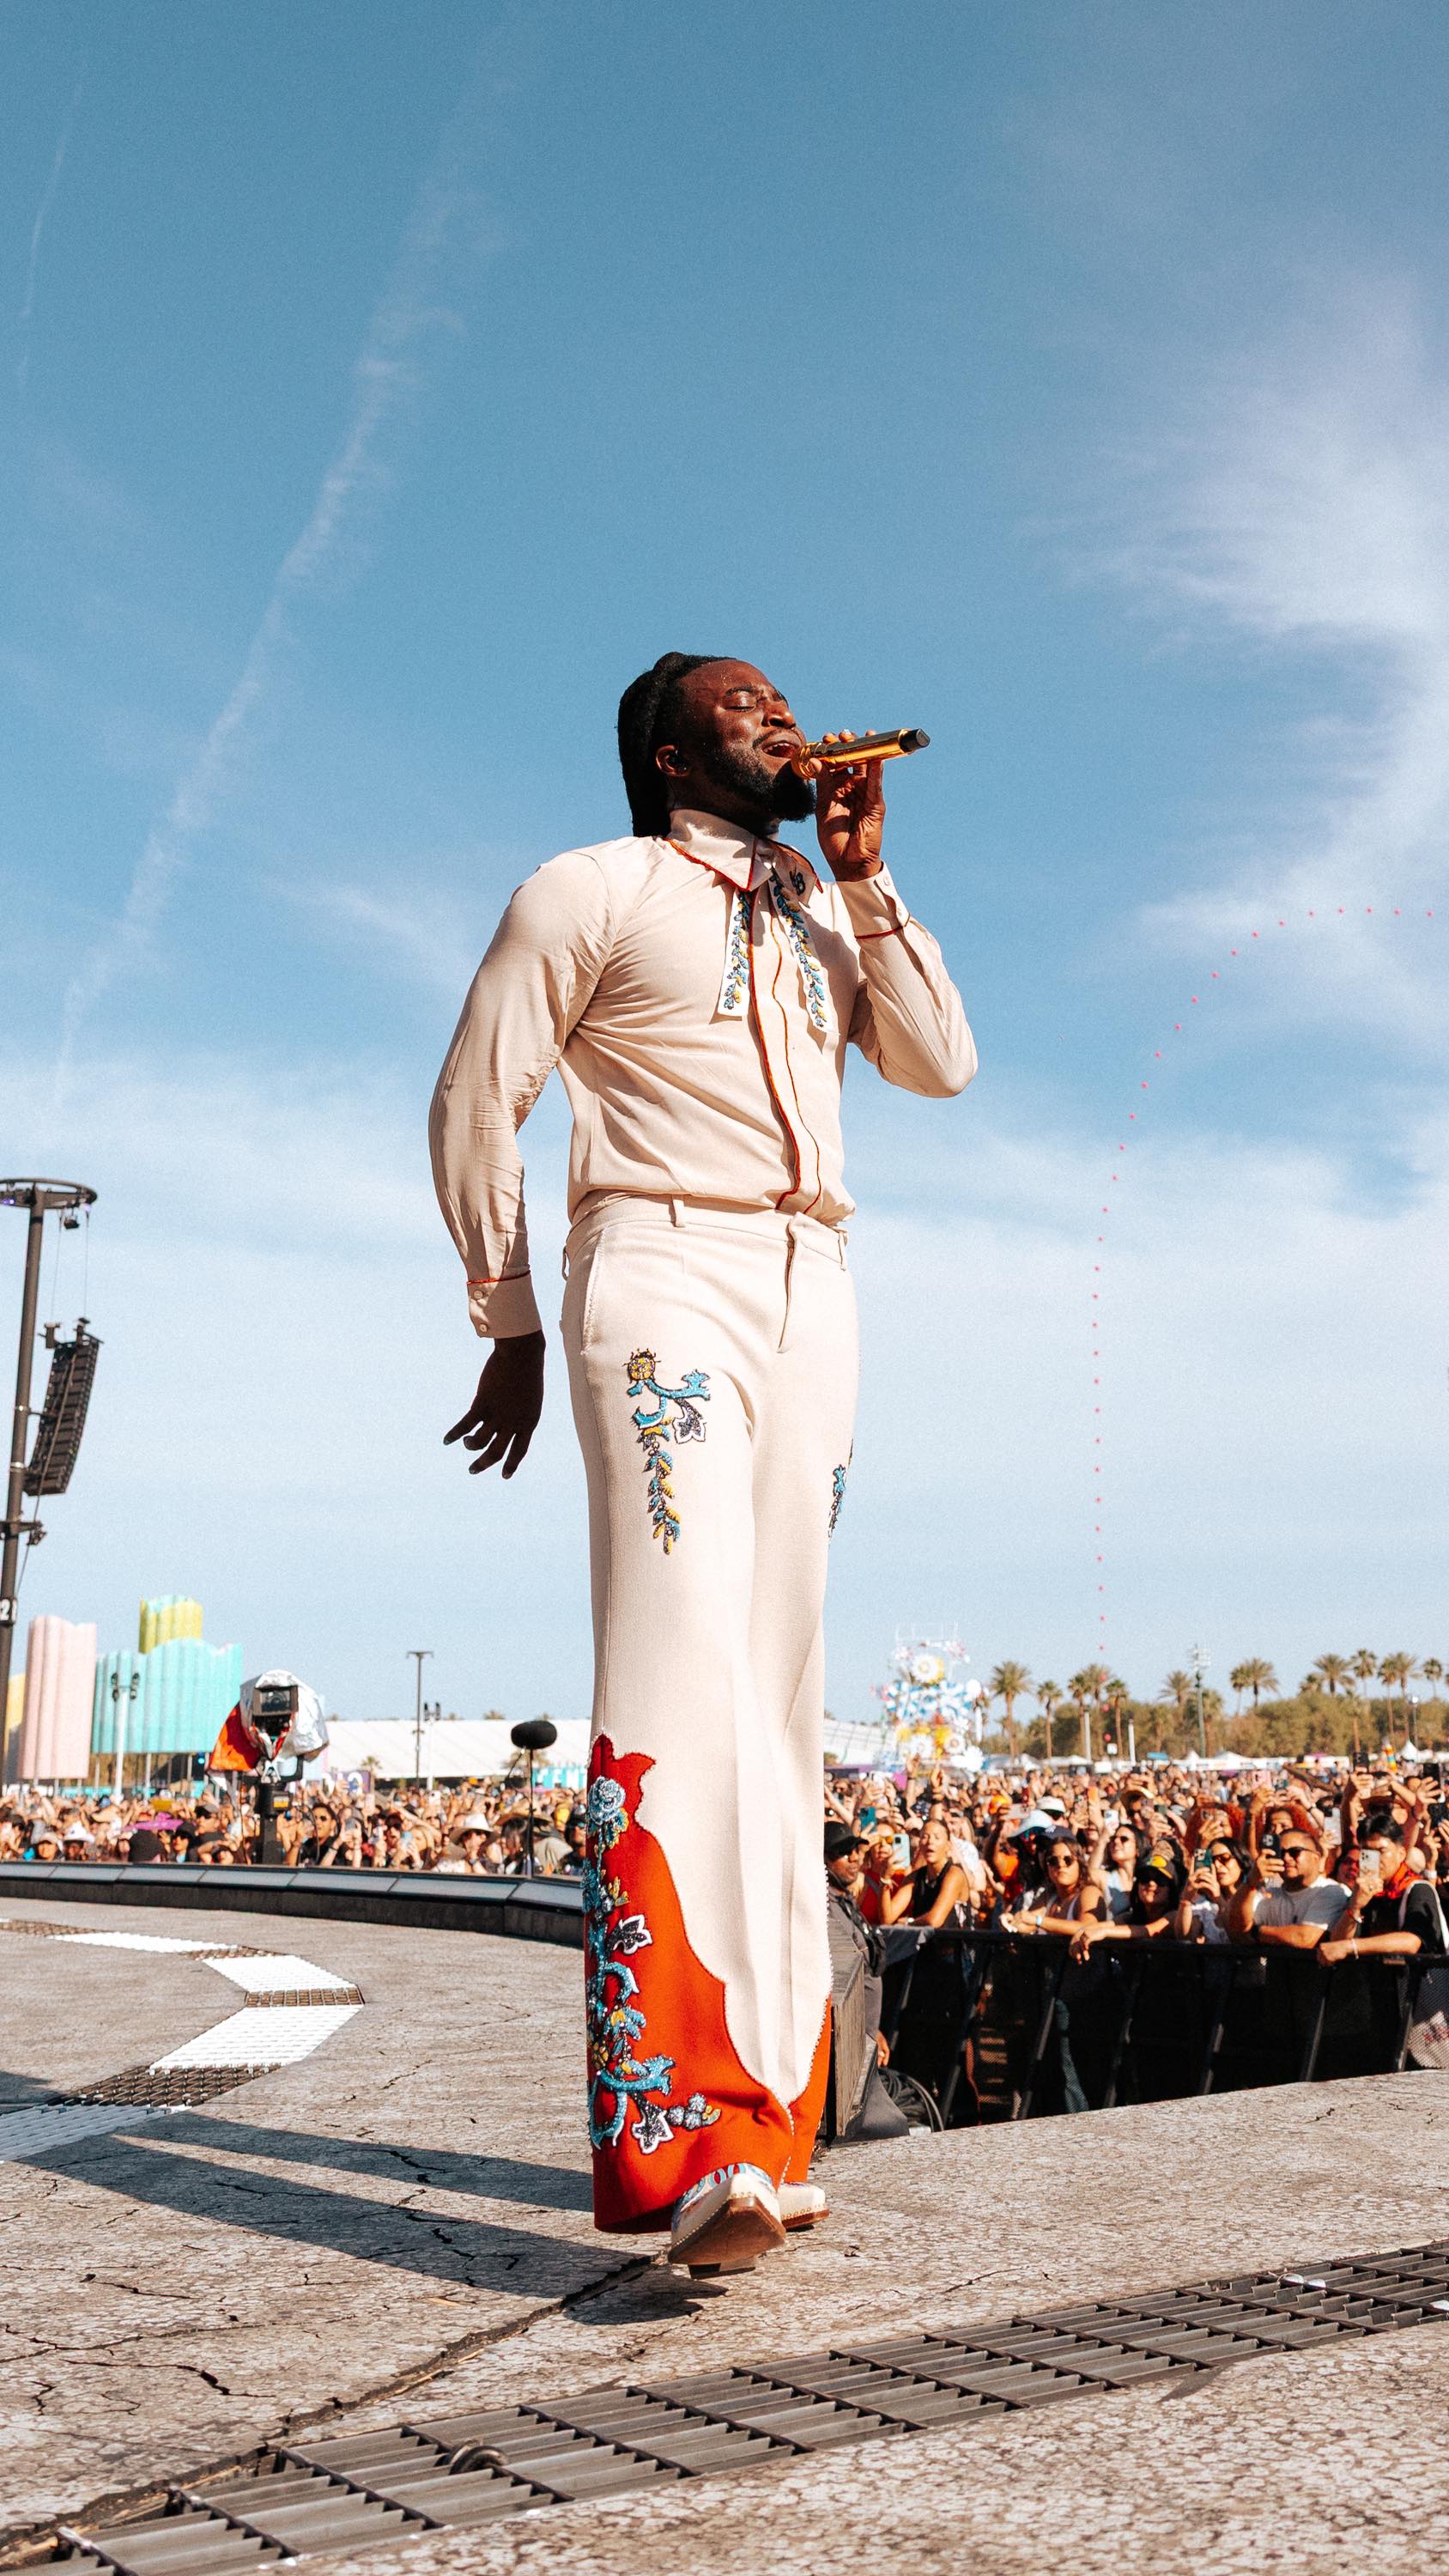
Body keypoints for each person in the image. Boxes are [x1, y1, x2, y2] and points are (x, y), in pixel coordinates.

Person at [431, 653, 973, 2274]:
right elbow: (479, 1096)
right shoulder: (589, 889)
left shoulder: (819, 906)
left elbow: (939, 1061)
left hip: (816, 1285)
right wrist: (510, 1316)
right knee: (679, 1671)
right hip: (659, 1260)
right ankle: (684, 2136)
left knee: (780, 1690)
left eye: (786, 698)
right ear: (669, 752)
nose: (784, 715)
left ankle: (772, 2123)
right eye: (745, 703)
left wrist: (868, 879)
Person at [1224, 1822, 1349, 1950]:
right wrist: (1251, 1882)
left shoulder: (1332, 1891)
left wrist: (1254, 1932)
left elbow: (1304, 1939)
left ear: (1316, 1858)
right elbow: (1236, 1928)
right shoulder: (1269, 1893)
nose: (1286, 1858)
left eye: (1295, 1852)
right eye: (1281, 1853)